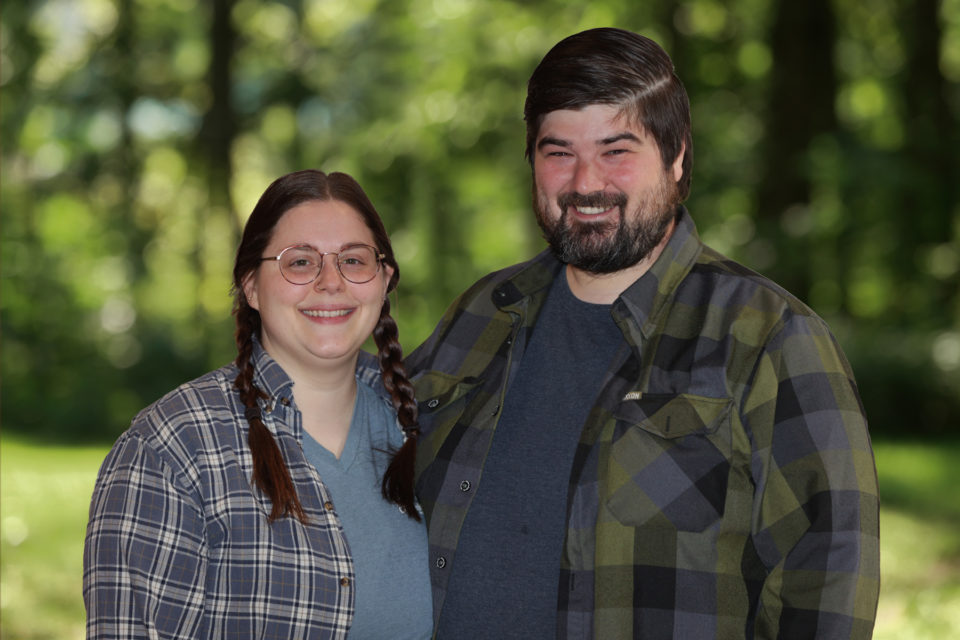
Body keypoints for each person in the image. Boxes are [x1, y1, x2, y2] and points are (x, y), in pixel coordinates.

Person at [405, 28, 880, 638]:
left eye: (616, 150)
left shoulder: (770, 337)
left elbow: (828, 587)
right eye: (558, 152)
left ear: (677, 156)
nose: (584, 183)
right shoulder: (481, 313)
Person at [84, 169, 433, 639]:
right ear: (251, 286)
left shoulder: (431, 421)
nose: (331, 282)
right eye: (300, 262)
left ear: (384, 278)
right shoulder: (171, 448)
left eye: (353, 260)